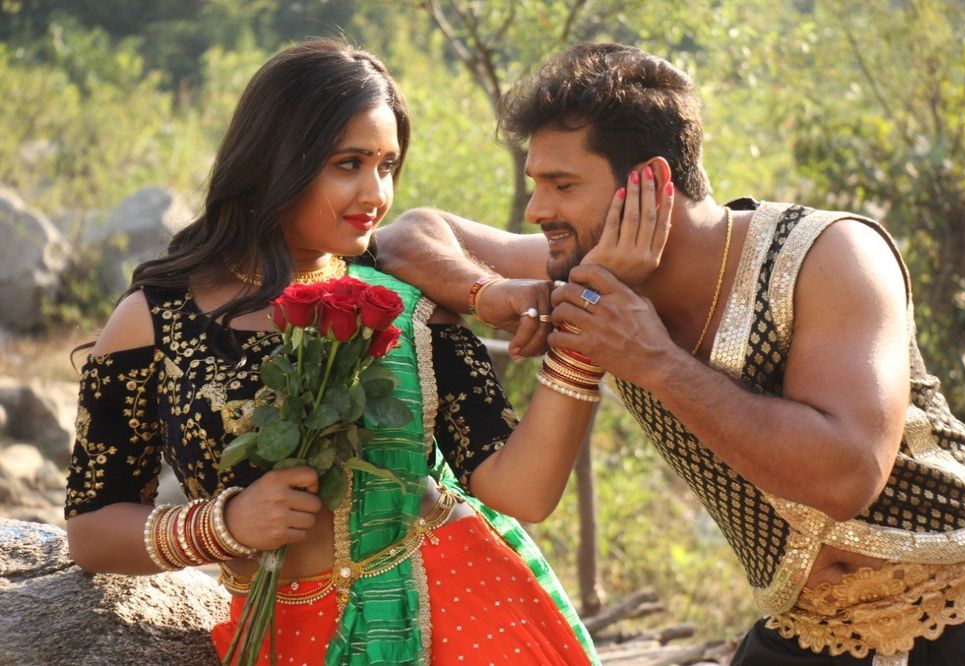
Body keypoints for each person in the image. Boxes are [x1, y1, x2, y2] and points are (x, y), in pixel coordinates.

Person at [375, 42, 965, 665]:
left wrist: (655, 361)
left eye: (562, 184)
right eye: (537, 184)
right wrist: (490, 293)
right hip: (811, 629)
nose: (538, 209)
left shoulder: (829, 254)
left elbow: (847, 477)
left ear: (649, 183)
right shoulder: (592, 265)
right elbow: (407, 235)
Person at [58, 38, 663, 665]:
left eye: (387, 166)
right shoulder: (158, 319)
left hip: (458, 612)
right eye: (349, 164)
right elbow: (91, 531)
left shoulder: (405, 304)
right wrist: (225, 524)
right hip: (282, 639)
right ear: (274, 160)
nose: (376, 193)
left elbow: (523, 492)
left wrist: (585, 334)